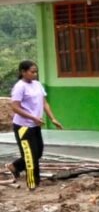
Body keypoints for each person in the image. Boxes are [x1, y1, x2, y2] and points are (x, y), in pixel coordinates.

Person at [5, 60, 63, 190]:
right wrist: (33, 117)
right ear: (23, 72)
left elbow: (44, 103)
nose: (35, 74)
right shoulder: (19, 87)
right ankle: (32, 184)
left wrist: (53, 118)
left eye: (36, 72)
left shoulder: (37, 84)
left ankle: (14, 166)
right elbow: (15, 107)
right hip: (23, 127)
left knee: (38, 153)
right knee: (30, 157)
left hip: (35, 125)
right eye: (32, 72)